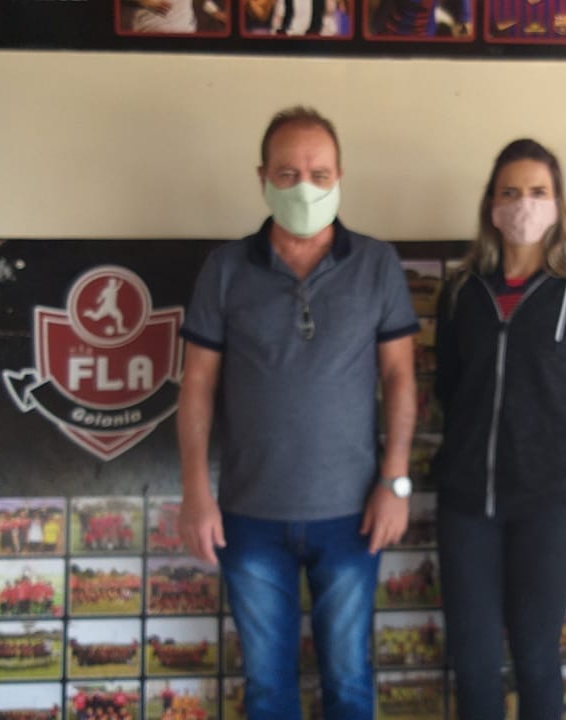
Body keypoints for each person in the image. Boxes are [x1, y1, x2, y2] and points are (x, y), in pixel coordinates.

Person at [175, 106, 419, 720]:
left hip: (353, 516)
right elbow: (197, 384)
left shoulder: (376, 264)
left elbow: (399, 376)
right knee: (267, 690)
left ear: (340, 177)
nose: (304, 187)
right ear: (262, 177)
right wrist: (195, 492)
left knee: (350, 683)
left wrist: (395, 481)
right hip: (249, 517)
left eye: (319, 173)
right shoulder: (225, 269)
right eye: (287, 174)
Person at [433, 138, 566, 719]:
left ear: (558, 204)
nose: (524, 204)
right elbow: (449, 386)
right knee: (473, 661)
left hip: (553, 507)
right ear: (491, 205)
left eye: (538, 192)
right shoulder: (461, 292)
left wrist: (562, 454)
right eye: (511, 192)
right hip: (468, 504)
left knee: (536, 655)